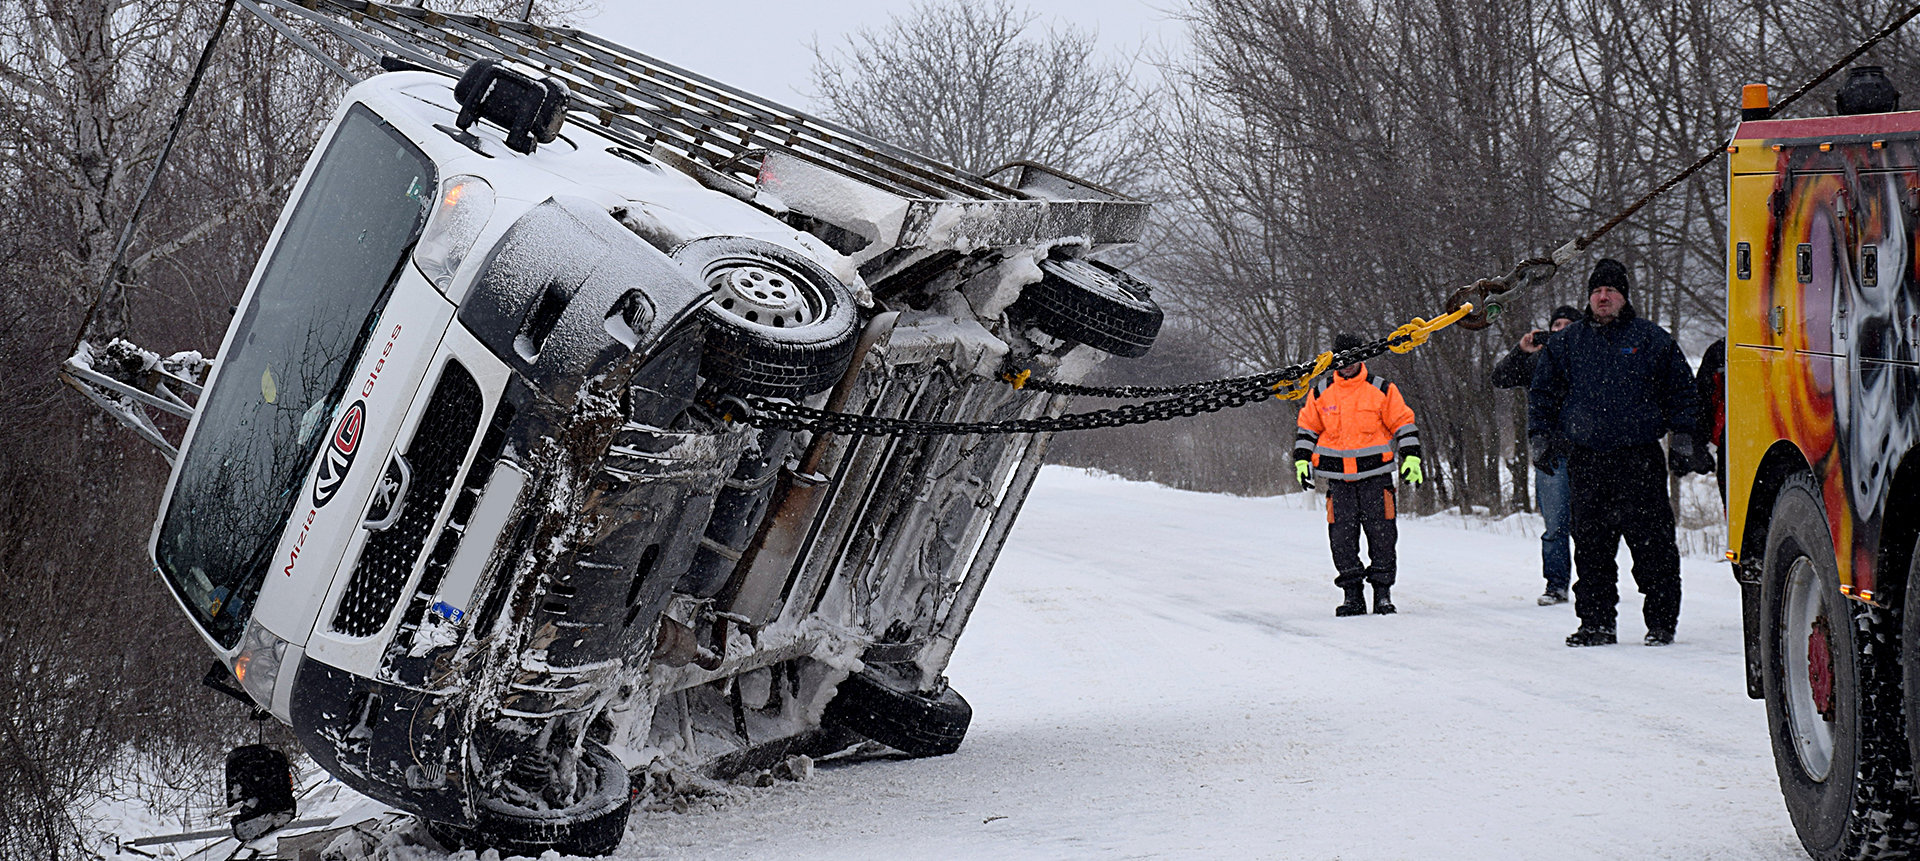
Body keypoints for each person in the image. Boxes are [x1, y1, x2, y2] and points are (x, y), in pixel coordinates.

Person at [1528, 259, 1698, 647]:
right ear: (1589, 297)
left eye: (1611, 291)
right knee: (1591, 549)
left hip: (1639, 460)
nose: (1603, 297)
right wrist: (1541, 437)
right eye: (1597, 291)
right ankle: (1596, 623)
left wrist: (1684, 437)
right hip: (1587, 460)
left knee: (1654, 548)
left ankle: (1661, 622)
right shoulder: (1567, 344)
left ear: (1623, 297)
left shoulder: (1651, 339)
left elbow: (1682, 391)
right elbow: (1543, 395)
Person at [1295, 334, 1424, 617]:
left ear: (1362, 357)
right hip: (1338, 481)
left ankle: (1382, 594)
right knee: (1341, 538)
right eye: (1342, 359)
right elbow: (1307, 429)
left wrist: (1412, 455)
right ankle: (1352, 595)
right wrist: (1301, 460)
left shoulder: (1381, 389)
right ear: (1334, 361)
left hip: (1375, 477)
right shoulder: (1320, 392)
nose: (1348, 365)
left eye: (1353, 358)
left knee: (1382, 536)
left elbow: (1403, 422)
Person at [1491, 305, 1582, 606]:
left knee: (1589, 525)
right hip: (1550, 456)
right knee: (1555, 526)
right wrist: (1521, 350)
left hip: (1588, 452)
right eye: (1556, 324)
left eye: (1568, 325)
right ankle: (1556, 585)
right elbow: (1500, 378)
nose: (1560, 330)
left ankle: (1593, 584)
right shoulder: (1539, 361)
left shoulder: (1589, 359)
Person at [1695, 338, 1727, 507]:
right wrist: (1697, 443)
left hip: (1735, 445)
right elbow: (1703, 400)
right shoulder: (1720, 352)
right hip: (1730, 447)